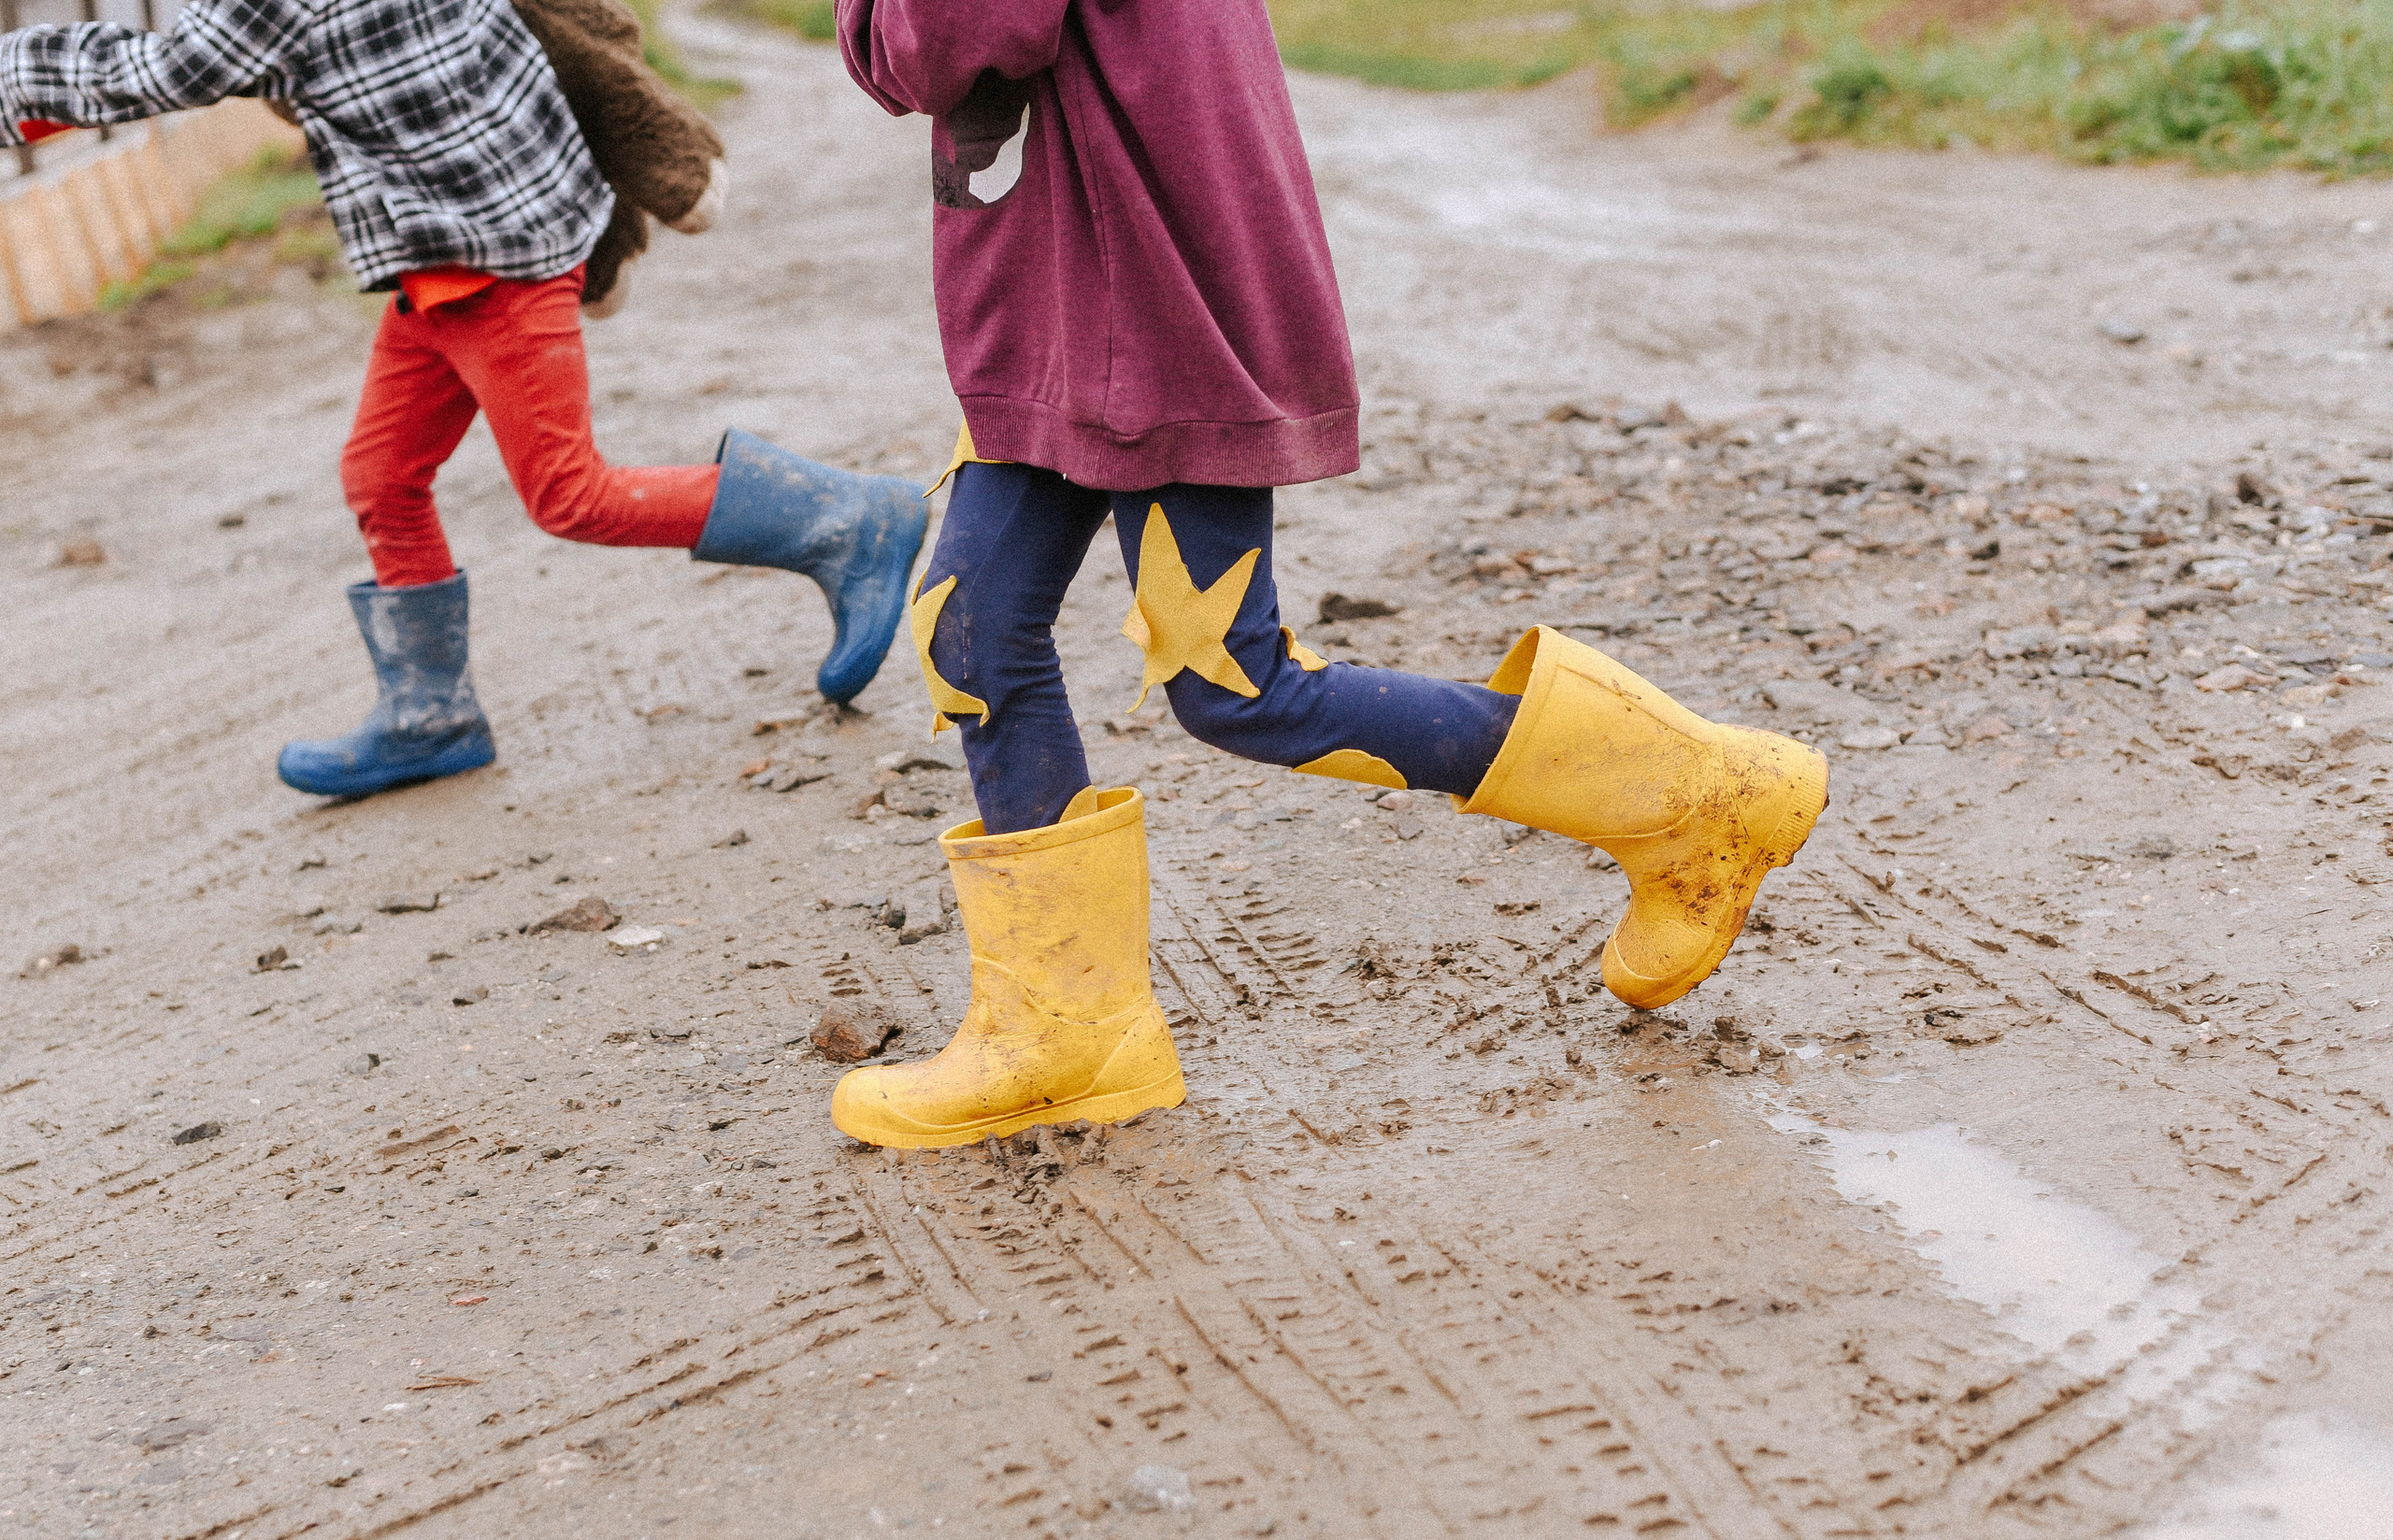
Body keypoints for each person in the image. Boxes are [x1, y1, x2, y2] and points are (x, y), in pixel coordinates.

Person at [824, 0, 1831, 1150]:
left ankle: (1698, 795)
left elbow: (947, 37)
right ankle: (1065, 1029)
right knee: (975, 630)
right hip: (1076, 292)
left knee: (1235, 684)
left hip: (1143, 303)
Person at [0, 0, 926, 800]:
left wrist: (18, 74)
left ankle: (844, 520)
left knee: (569, 491)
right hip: (456, 240)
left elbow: (171, 67)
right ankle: (429, 711)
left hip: (489, 258)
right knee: (382, 472)